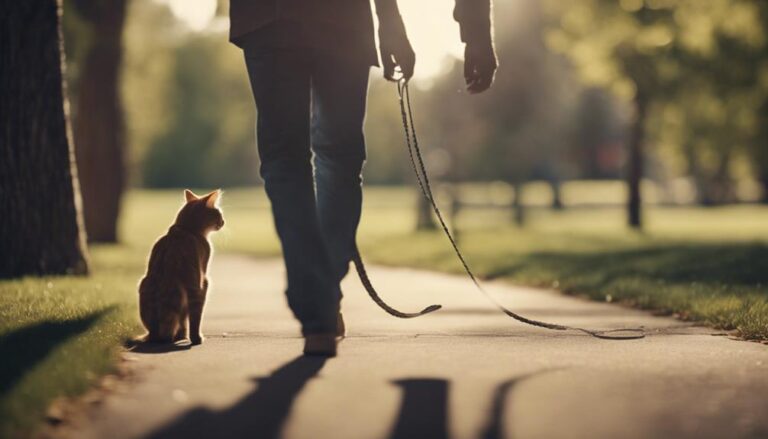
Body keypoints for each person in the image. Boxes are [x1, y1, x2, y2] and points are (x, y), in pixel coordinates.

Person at [229, 0, 497, 357]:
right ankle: (321, 295)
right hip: (338, 21)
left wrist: (392, 24)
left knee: (287, 160)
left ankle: (317, 300)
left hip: (271, 19)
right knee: (336, 157)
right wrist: (391, 22)